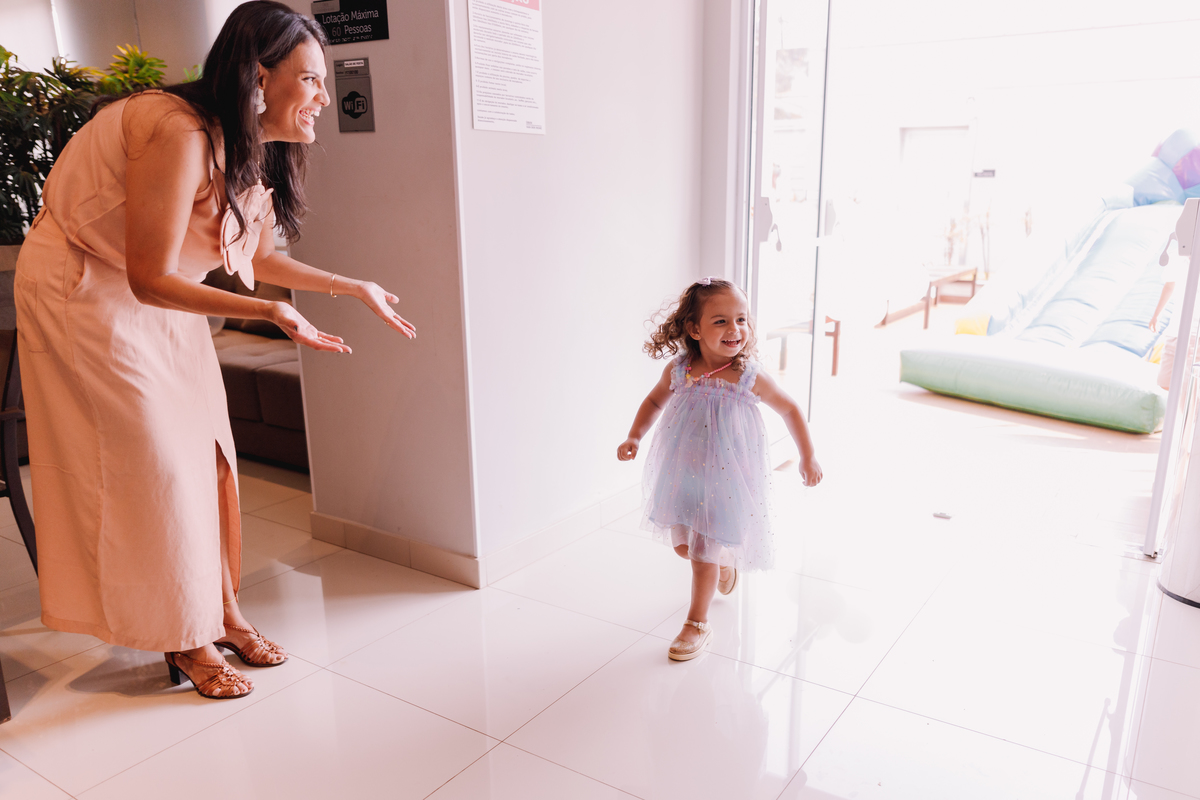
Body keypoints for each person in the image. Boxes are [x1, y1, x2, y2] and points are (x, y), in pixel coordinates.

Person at [14, 1, 414, 700]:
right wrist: (268, 310)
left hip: (162, 291)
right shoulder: (174, 130)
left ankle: (220, 608)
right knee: (153, 466)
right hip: (84, 288)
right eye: (311, 80)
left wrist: (352, 286)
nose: (324, 96)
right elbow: (146, 274)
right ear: (260, 77)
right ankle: (185, 635)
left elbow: (258, 255)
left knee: (208, 453)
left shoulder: (253, 142)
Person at [616, 277, 822, 661]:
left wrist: (807, 456)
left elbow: (790, 409)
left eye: (742, 320)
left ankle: (697, 622)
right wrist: (634, 436)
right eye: (721, 321)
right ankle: (727, 562)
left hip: (727, 479)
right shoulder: (680, 371)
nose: (736, 330)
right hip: (684, 474)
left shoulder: (748, 376)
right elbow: (653, 401)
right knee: (684, 547)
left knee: (701, 554)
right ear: (694, 329)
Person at [1151, 238, 1186, 391]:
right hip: (1176, 329)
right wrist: (1156, 315)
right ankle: (1175, 412)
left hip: (1194, 333)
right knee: (1165, 382)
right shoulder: (1178, 257)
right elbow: (1169, 285)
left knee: (1189, 385)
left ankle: (1187, 412)